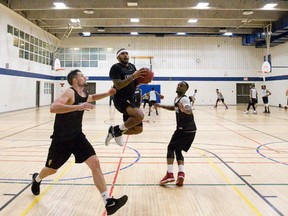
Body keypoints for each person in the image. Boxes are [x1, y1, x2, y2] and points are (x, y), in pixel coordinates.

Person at [31, 69, 127, 215]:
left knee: (95, 162)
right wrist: (78, 107)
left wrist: (108, 94)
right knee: (52, 169)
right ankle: (37, 178)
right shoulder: (69, 92)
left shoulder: (84, 94)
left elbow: (92, 97)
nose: (84, 77)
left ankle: (108, 201)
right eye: (82, 75)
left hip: (77, 137)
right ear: (75, 80)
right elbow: (53, 108)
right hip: (61, 140)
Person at [154, 81, 197, 186]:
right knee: (178, 150)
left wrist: (185, 110)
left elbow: (189, 109)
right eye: (178, 84)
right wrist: (160, 106)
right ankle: (181, 174)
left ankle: (169, 174)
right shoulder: (177, 99)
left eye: (182, 85)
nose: (179, 85)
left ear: (186, 89)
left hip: (184, 129)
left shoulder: (184, 99)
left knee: (170, 148)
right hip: (190, 129)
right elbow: (174, 108)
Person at [105, 48, 147, 146]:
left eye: (127, 53)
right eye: (122, 54)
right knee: (140, 115)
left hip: (132, 99)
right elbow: (118, 85)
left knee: (138, 129)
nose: (125, 55)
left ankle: (115, 131)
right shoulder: (116, 67)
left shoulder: (132, 66)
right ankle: (116, 130)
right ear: (118, 57)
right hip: (121, 99)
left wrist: (142, 80)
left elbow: (135, 82)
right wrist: (132, 76)